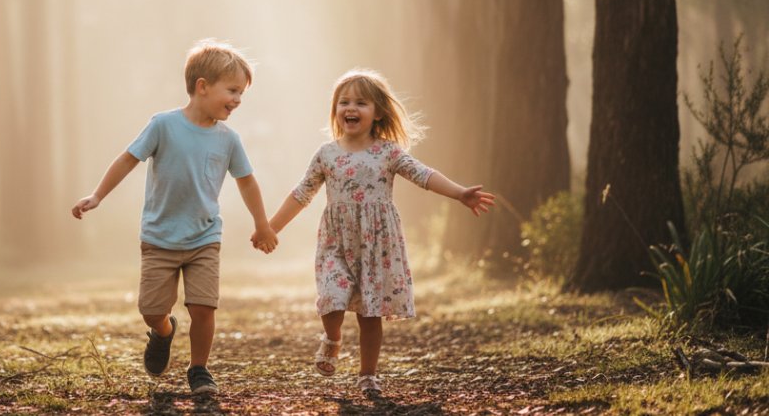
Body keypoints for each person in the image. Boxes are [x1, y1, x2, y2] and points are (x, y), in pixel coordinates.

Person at [267, 68, 494, 395]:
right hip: (336, 242)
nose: (350, 108)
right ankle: (331, 338)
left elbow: (423, 174)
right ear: (335, 111)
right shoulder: (327, 154)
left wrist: (459, 193)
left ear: (378, 113)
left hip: (377, 245)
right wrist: (271, 227)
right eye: (344, 102)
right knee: (331, 295)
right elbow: (301, 193)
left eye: (361, 102)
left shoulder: (388, 152)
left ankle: (368, 375)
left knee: (370, 313)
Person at [72, 40, 279, 396]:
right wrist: (97, 195)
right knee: (151, 309)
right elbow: (127, 160)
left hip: (204, 238)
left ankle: (199, 369)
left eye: (241, 93)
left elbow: (247, 182)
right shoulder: (163, 125)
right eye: (232, 90)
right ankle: (163, 330)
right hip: (159, 237)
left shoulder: (228, 139)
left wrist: (263, 224)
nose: (238, 100)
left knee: (204, 308)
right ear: (202, 86)